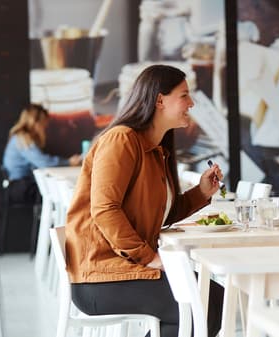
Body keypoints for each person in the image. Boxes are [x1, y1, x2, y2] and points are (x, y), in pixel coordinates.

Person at [64, 65, 224, 337]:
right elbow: (104, 209)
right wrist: (149, 257)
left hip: (124, 269)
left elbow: (161, 215)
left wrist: (201, 193)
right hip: (101, 276)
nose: (192, 103)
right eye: (184, 95)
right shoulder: (122, 139)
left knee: (209, 298)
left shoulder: (156, 149)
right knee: (207, 302)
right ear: (160, 100)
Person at [2, 103, 81, 203]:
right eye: (44, 122)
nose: (45, 126)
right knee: (56, 192)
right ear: (35, 122)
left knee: (53, 190)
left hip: (19, 185)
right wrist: (68, 162)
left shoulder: (20, 137)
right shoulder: (23, 138)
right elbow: (44, 162)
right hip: (20, 187)